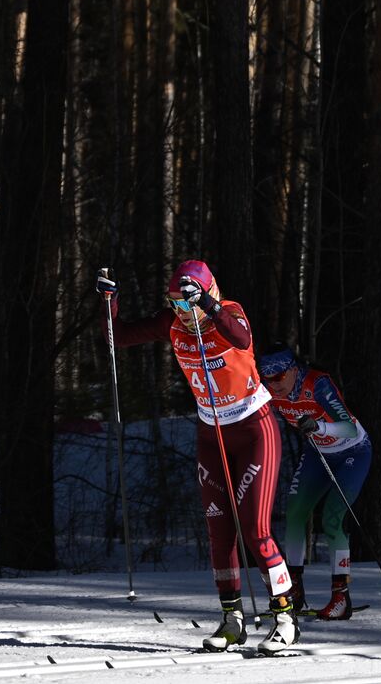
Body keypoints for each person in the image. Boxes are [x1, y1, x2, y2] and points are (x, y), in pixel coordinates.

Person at [96, 261, 298, 654]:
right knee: (219, 532)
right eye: (174, 304)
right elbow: (117, 338)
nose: (183, 315)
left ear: (210, 295)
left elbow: (240, 339)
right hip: (211, 433)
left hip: (254, 429)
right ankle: (232, 620)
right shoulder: (173, 322)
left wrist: (207, 305)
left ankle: (285, 617)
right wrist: (111, 302)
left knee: (255, 530)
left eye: (188, 305)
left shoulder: (230, 312)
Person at [257, 344, 371, 620]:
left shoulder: (317, 384)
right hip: (318, 453)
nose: (274, 386)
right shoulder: (269, 391)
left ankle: (340, 597)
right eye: (267, 380)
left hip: (352, 452)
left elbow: (349, 427)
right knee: (295, 513)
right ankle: (294, 591)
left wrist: (319, 426)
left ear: (294, 371)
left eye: (279, 377)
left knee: (332, 519)